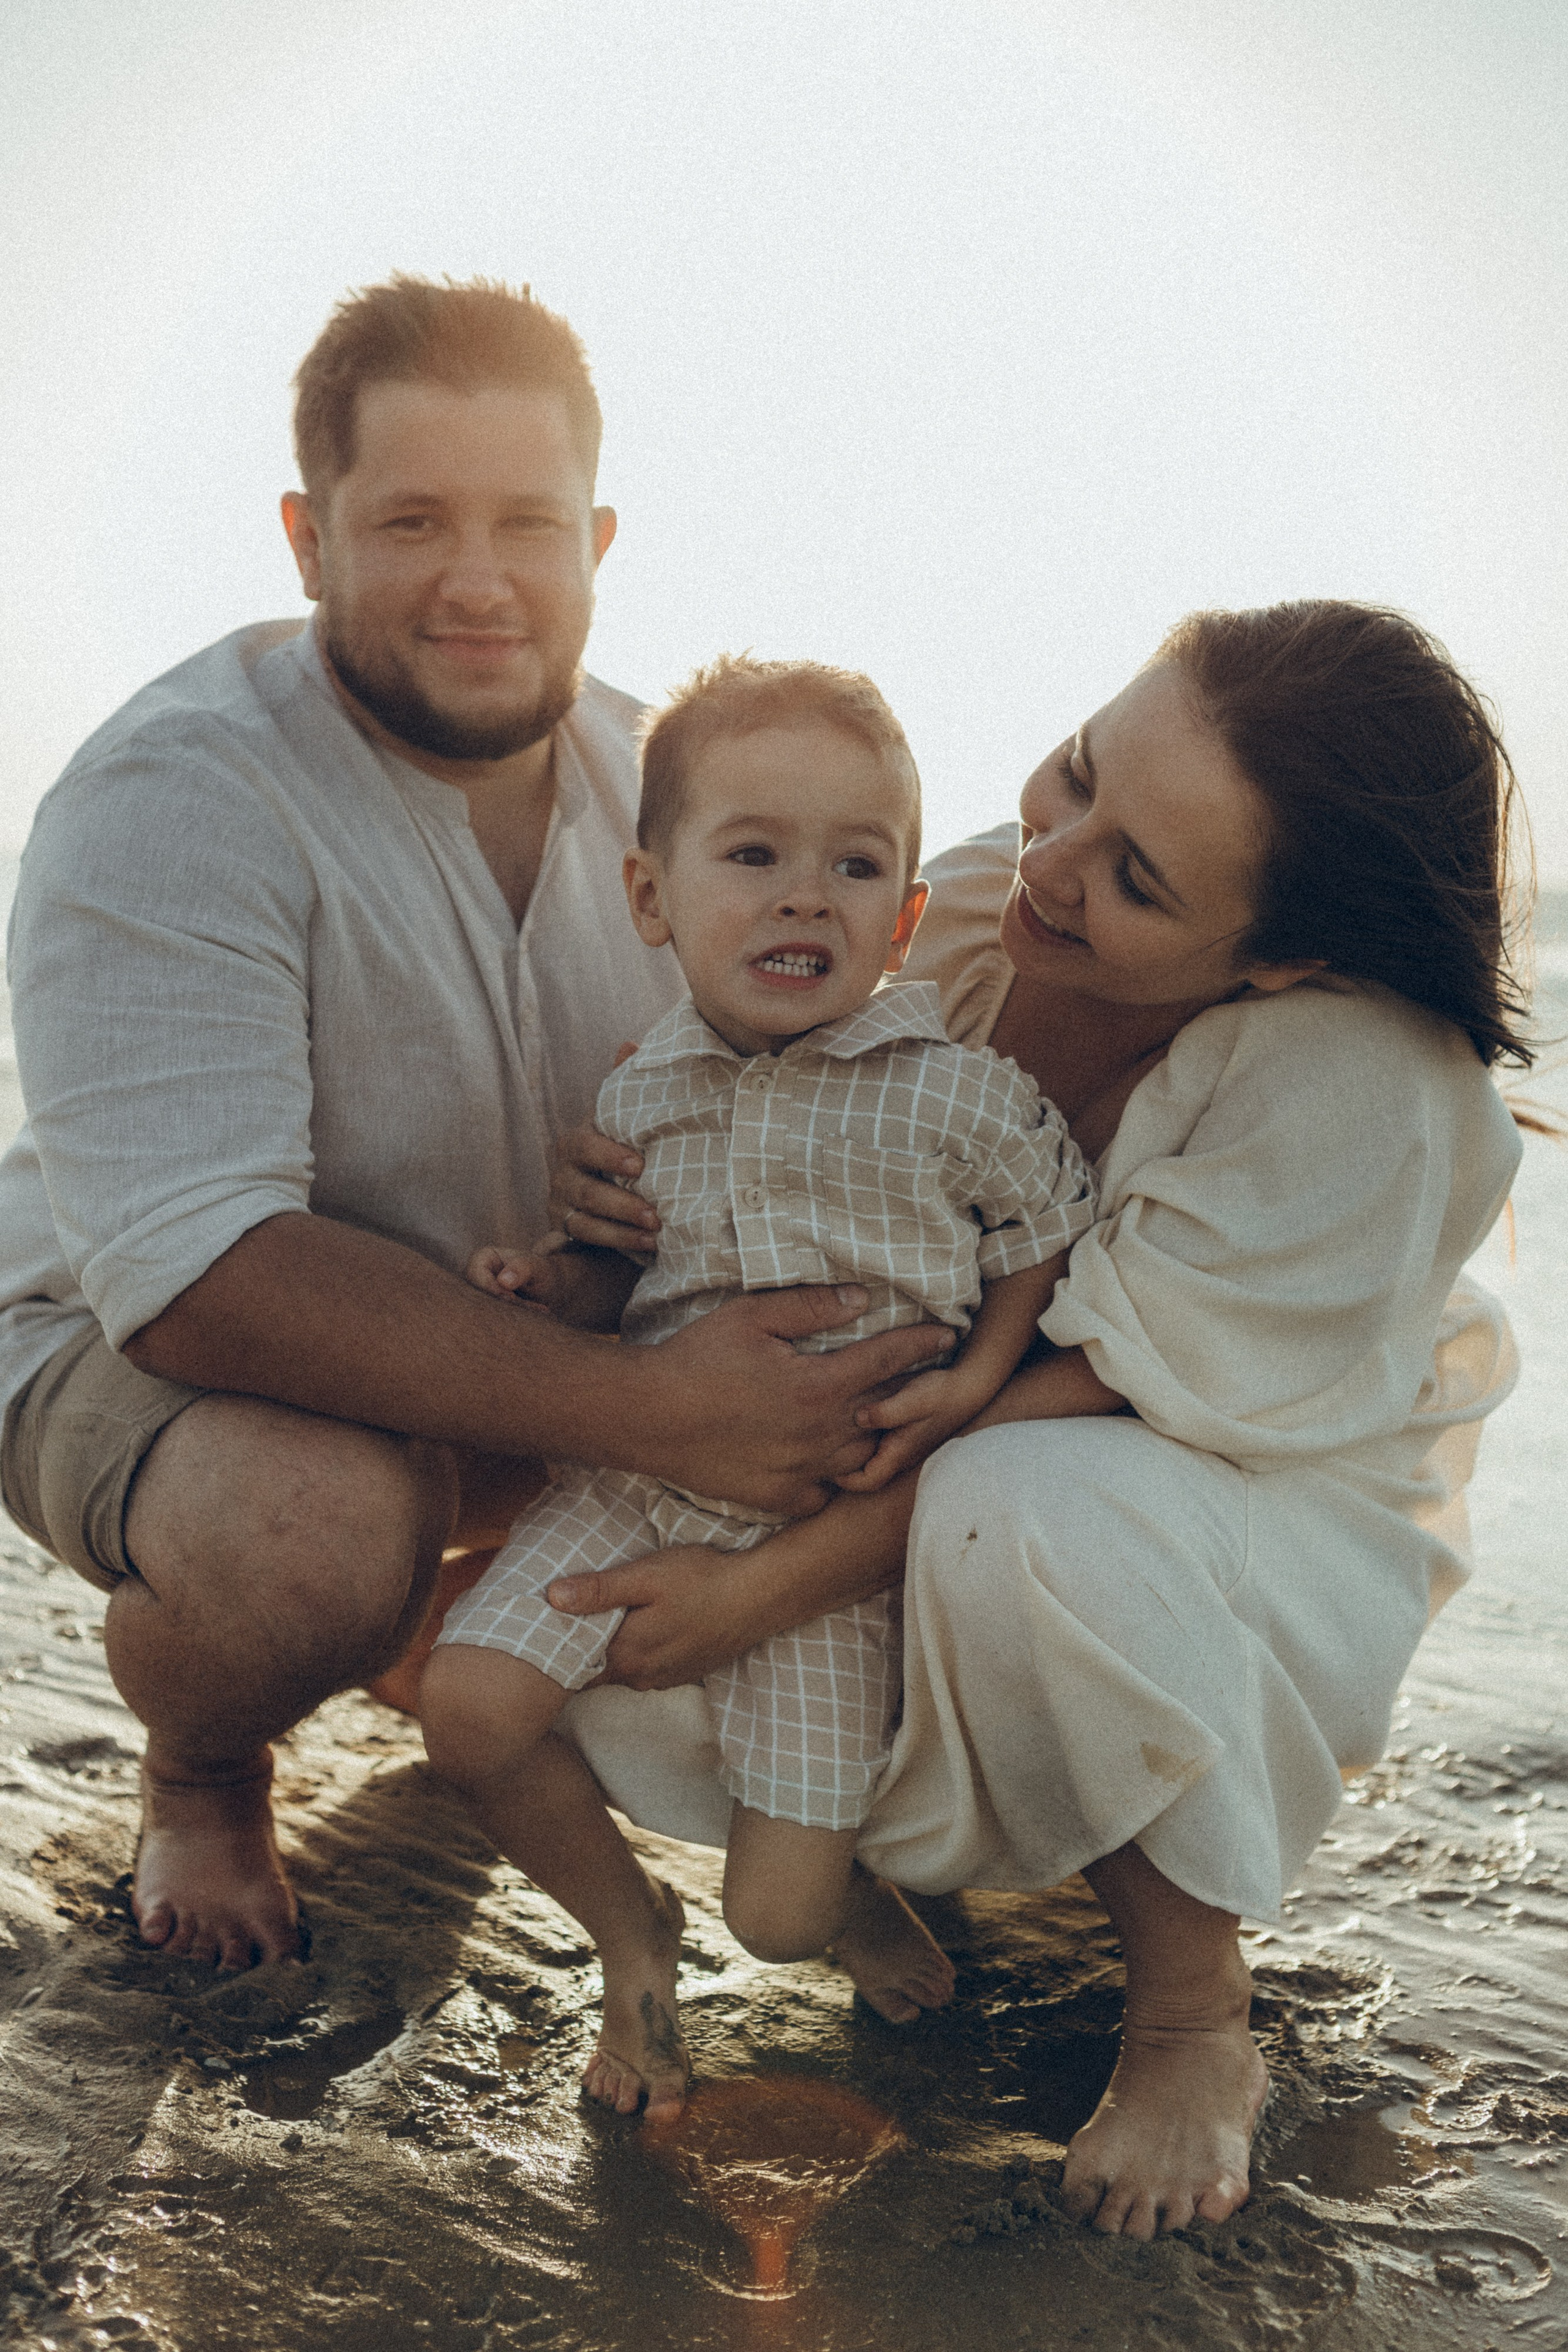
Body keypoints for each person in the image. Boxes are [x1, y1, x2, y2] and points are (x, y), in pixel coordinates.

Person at [0, 277, 951, 1975]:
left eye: (526, 523)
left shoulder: (683, 789)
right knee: (308, 1535)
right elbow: (199, 1280)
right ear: (308, 539)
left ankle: (436, 1611)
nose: (479, 581)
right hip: (129, 1343)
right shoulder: (176, 792)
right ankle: (206, 1762)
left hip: (525, 1330)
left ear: (597, 540)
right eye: (412, 522)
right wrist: (662, 1413)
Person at [545, 601, 1527, 2239]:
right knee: (610, 1556)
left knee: (1019, 1507)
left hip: (1233, 1505)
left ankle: (1193, 2013)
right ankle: (880, 1866)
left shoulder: (1366, 1085)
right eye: (1077, 770)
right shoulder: (979, 904)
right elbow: (765, 1098)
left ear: (1282, 955)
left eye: (1136, 874)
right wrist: (630, 1189)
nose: (1053, 859)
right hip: (949, 1430)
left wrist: (761, 1588)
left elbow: (1095, 1387)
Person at [420, 654, 1098, 2119]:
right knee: (465, 1706)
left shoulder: (951, 1091)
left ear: (903, 918)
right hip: (638, 1483)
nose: (805, 899)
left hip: (824, 1536)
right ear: (650, 899)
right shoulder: (642, 1088)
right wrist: (550, 1286)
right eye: (752, 857)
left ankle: (837, 1902)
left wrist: (980, 1372)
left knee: (778, 1922)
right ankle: (629, 1935)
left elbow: (1046, 1233)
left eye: (854, 866)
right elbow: (622, 1278)